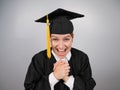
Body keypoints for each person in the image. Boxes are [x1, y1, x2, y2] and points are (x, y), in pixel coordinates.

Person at [24, 8, 96, 90]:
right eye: (55, 39)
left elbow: (88, 87)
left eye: (66, 39)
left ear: (72, 38)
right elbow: (30, 88)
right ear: (49, 39)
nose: (61, 46)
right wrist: (54, 77)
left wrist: (67, 78)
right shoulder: (39, 59)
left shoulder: (82, 58)